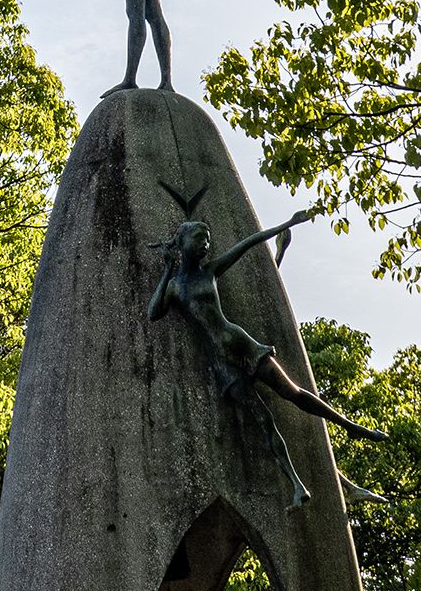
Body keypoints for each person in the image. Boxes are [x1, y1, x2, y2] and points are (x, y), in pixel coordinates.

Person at [147, 211, 389, 510]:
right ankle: (297, 487)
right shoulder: (174, 286)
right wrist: (166, 270)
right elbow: (153, 312)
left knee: (294, 393)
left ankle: (354, 427)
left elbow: (249, 242)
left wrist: (286, 224)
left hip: (241, 344)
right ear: (182, 243)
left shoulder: (209, 271)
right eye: (199, 239)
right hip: (223, 364)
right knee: (264, 422)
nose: (206, 245)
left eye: (208, 240)